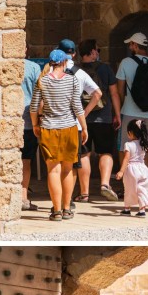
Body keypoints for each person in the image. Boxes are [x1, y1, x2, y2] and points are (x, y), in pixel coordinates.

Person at [30, 49, 88, 221]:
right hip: (69, 128)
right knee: (68, 169)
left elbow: (34, 108)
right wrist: (84, 128)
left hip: (48, 128)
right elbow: (78, 107)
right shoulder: (71, 80)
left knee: (53, 171)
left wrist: (35, 124)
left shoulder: (42, 81)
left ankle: (56, 211)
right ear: (64, 62)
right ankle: (66, 208)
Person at [56, 39, 102, 208]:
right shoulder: (80, 73)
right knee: (73, 164)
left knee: (56, 164)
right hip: (74, 124)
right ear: (74, 54)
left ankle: (57, 199)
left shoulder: (50, 71)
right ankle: (67, 201)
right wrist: (85, 113)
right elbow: (98, 93)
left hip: (54, 124)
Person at [76, 39, 119, 202]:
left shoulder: (76, 70)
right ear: (93, 52)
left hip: (81, 118)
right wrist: (117, 114)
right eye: (97, 50)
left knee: (83, 154)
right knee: (105, 151)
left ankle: (84, 193)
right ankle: (105, 184)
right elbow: (114, 93)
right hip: (104, 117)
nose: (98, 53)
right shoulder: (105, 69)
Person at [114, 32, 148, 160]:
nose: (130, 47)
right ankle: (144, 177)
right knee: (145, 148)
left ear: (135, 45)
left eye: (130, 44)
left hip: (130, 111)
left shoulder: (125, 62)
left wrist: (122, 104)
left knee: (125, 147)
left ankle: (125, 177)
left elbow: (120, 89)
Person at [115, 119, 148, 217]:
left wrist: (121, 171)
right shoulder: (143, 144)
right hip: (143, 169)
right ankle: (142, 210)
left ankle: (127, 209)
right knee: (142, 189)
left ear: (130, 133)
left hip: (131, 170)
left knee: (129, 189)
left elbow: (126, 159)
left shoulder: (128, 145)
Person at [20, 58, 43, 212]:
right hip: (29, 120)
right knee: (26, 161)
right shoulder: (34, 67)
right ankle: (22, 197)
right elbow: (39, 93)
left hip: (8, 119)